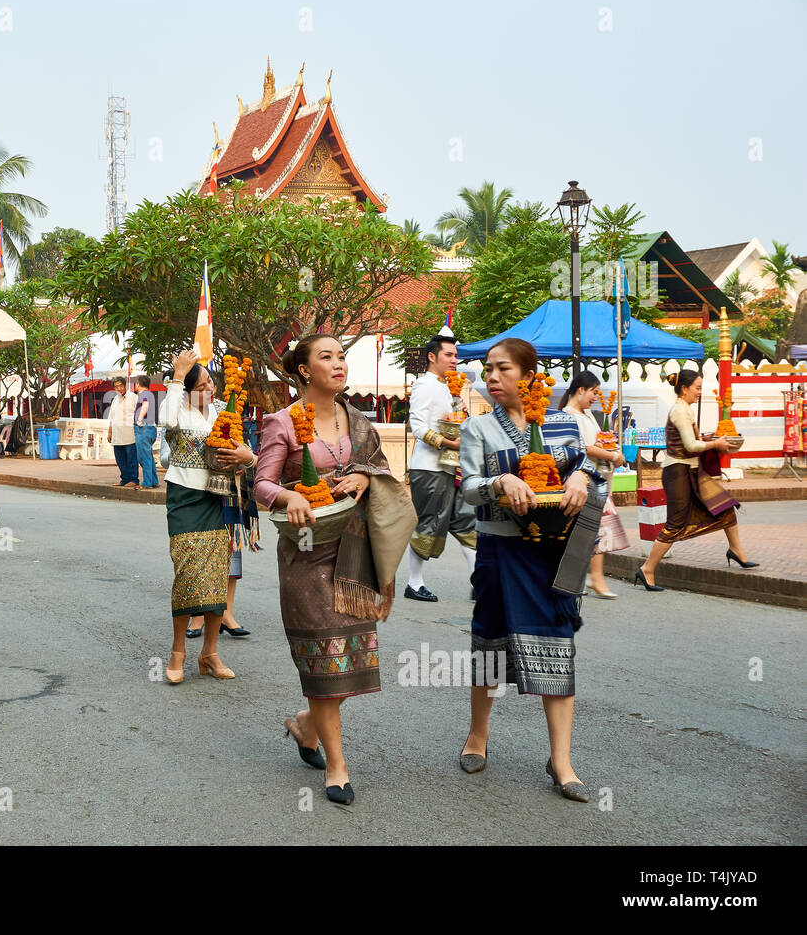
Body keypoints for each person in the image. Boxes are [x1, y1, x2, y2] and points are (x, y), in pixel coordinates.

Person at [254, 335, 414, 806]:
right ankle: (337, 766)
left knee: (349, 661)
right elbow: (261, 483)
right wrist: (291, 495)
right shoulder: (281, 423)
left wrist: (365, 476)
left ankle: (306, 725)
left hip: (353, 554)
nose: (338, 363)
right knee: (324, 661)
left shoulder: (358, 420)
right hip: (305, 554)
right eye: (326, 357)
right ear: (304, 371)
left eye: (341, 356)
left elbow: (380, 467)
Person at [458, 338, 603, 802]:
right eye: (488, 370)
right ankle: (477, 735)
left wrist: (581, 476)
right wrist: (501, 480)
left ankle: (561, 761)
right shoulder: (478, 428)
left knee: (558, 643)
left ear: (529, 374)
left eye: (502, 369)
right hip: (501, 550)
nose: (492, 377)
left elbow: (585, 469)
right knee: (491, 641)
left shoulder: (563, 422)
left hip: (553, 551)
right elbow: (468, 487)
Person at [161, 350, 255, 685]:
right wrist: (177, 375)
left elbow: (240, 450)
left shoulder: (220, 411)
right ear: (186, 390)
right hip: (185, 500)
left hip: (219, 499)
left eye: (211, 383)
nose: (210, 390)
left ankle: (210, 653)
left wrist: (245, 457)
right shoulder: (178, 409)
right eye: (201, 386)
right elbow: (167, 421)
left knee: (218, 574)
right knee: (187, 574)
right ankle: (178, 653)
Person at [637, 370, 754, 589]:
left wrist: (708, 439)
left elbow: (693, 441)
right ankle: (647, 569)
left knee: (724, 506)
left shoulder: (686, 410)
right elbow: (691, 446)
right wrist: (715, 444)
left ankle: (736, 551)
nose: (700, 392)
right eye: (697, 388)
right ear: (684, 388)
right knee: (674, 525)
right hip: (678, 473)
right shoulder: (680, 411)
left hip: (691, 471)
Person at [403, 331, 476, 602]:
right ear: (432, 357)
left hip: (452, 467)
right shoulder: (425, 385)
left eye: (456, 355)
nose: (454, 360)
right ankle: (414, 583)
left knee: (467, 520)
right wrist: (448, 443)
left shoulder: (449, 386)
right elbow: (418, 427)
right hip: (429, 467)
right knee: (429, 523)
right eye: (449, 355)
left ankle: (478, 581)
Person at [560, 372, 630, 598]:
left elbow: (594, 442)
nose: (595, 397)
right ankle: (594, 578)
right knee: (598, 527)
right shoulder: (568, 416)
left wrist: (607, 447)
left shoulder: (587, 414)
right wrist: (613, 456)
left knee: (592, 529)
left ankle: (586, 578)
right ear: (581, 389)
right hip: (584, 479)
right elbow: (584, 447)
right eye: (593, 392)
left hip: (597, 478)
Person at [107, 377, 139, 488]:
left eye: (121, 385)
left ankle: (134, 480)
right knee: (120, 459)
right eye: (116, 386)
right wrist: (109, 432)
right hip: (117, 433)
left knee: (131, 458)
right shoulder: (115, 399)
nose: (119, 388)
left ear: (125, 385)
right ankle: (124, 479)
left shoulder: (134, 397)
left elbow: (139, 415)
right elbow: (112, 417)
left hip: (130, 433)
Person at [133, 374, 160, 489]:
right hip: (150, 428)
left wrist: (139, 419)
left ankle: (147, 482)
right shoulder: (149, 394)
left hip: (143, 428)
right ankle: (153, 480)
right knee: (148, 455)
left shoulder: (143, 394)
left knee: (143, 456)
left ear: (138, 384)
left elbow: (145, 406)